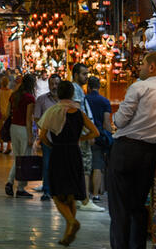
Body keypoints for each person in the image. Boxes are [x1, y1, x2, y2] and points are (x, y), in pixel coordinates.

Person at [108, 51, 156, 249]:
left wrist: (117, 120)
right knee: (138, 206)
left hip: (126, 150)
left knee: (120, 208)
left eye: (143, 64)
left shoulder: (140, 87)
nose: (140, 67)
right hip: (151, 154)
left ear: (152, 67)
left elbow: (120, 120)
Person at [38, 80, 100, 246]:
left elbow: (42, 135)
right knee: (71, 193)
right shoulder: (79, 113)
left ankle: (71, 222)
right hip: (74, 152)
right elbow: (95, 132)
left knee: (57, 192)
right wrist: (80, 138)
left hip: (58, 153)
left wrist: (51, 145)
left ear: (58, 93)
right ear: (73, 94)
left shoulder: (53, 111)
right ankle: (67, 233)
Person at [70, 63, 103, 213]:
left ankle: (78, 198)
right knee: (86, 167)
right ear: (76, 74)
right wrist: (88, 131)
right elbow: (78, 111)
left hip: (81, 133)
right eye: (84, 74)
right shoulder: (76, 90)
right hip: (82, 134)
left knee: (82, 166)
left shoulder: (78, 90)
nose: (86, 77)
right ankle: (84, 199)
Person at [5, 74, 36, 198]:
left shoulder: (14, 96)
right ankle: (20, 187)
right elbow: (29, 119)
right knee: (24, 158)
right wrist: (30, 136)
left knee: (18, 158)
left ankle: (10, 182)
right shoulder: (30, 98)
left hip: (14, 128)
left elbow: (7, 113)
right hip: (24, 129)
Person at [34, 73, 61, 201]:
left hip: (63, 139)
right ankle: (47, 190)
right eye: (52, 84)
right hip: (47, 138)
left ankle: (60, 190)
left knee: (61, 165)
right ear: (48, 85)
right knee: (47, 165)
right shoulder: (42, 100)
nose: (54, 86)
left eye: (57, 84)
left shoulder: (65, 100)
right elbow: (37, 118)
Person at [85, 76, 112, 202]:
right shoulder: (105, 101)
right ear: (99, 87)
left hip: (85, 136)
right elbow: (107, 122)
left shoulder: (84, 99)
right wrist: (109, 136)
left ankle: (85, 195)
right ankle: (95, 194)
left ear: (88, 87)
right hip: (99, 137)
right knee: (97, 166)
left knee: (85, 167)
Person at [0, 75, 12, 154]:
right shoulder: (11, 92)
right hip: (8, 113)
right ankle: (9, 146)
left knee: (0, 130)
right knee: (8, 129)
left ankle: (1, 147)